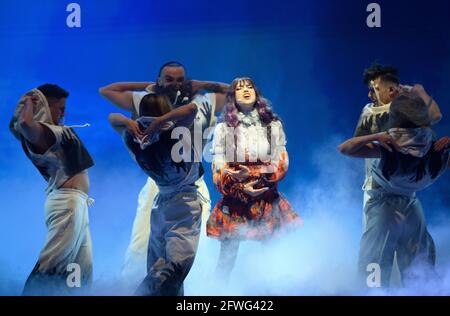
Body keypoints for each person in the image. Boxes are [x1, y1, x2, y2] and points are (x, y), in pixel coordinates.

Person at [99, 61, 229, 279]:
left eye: (180, 80)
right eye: (169, 79)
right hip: (159, 184)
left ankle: (192, 292)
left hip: (191, 182)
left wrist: (202, 84)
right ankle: (130, 286)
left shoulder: (205, 101)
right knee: (142, 243)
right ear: (159, 80)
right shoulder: (146, 100)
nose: (175, 84)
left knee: (196, 248)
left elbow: (239, 91)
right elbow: (107, 91)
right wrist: (153, 86)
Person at [340, 92, 449, 288]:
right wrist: (377, 137)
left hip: (403, 203)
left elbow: (346, 149)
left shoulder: (429, 152)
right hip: (386, 203)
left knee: (414, 260)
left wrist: (375, 137)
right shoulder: (392, 147)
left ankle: (416, 289)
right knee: (379, 260)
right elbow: (345, 149)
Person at [206, 77, 302, 282]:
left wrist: (259, 181)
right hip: (235, 198)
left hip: (265, 196)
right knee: (227, 258)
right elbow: (218, 164)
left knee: (270, 255)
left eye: (249, 87)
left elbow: (281, 159)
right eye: (240, 88)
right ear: (232, 97)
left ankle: (270, 293)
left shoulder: (272, 125)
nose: (246, 90)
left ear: (256, 93)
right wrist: (239, 185)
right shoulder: (223, 128)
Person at [109, 93, 202, 295]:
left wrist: (128, 122)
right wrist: (161, 122)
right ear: (166, 111)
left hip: (160, 203)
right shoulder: (175, 132)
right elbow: (192, 109)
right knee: (173, 269)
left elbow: (112, 119)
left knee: (158, 266)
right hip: (183, 204)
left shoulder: (133, 137)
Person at [10, 84, 94, 295]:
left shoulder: (51, 132)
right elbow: (24, 123)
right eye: (60, 108)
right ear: (46, 107)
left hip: (78, 204)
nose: (64, 113)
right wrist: (30, 100)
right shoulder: (44, 133)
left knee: (80, 271)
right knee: (51, 265)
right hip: (68, 205)